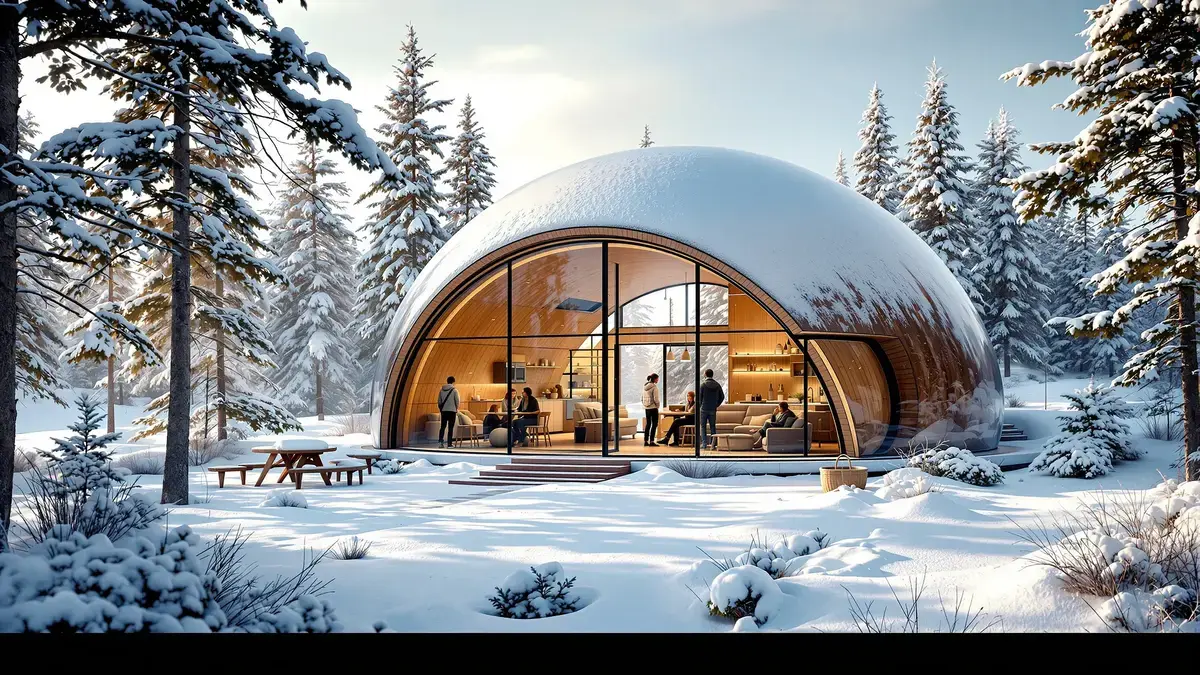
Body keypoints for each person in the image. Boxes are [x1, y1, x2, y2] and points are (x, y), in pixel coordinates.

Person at [697, 369, 725, 449]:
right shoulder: (717, 385)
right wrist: (716, 405)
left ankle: (704, 444)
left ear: (705, 374)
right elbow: (722, 397)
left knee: (703, 427)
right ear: (712, 375)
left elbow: (699, 398)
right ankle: (713, 445)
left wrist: (701, 406)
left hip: (704, 409)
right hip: (713, 409)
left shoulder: (703, 385)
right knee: (713, 426)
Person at [437, 376, 460, 448]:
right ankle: (449, 444)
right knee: (450, 428)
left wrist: (441, 409)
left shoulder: (441, 390)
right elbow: (457, 401)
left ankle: (441, 442)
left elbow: (439, 401)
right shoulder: (454, 390)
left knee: (442, 427)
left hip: (444, 411)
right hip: (452, 411)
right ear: (453, 382)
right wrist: (456, 408)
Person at [642, 373, 661, 447]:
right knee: (654, 424)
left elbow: (642, 397)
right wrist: (657, 406)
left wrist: (645, 404)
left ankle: (645, 441)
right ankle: (652, 441)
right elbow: (656, 399)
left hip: (647, 408)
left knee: (648, 424)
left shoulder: (645, 387)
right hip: (653, 408)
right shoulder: (654, 387)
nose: (658, 380)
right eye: (657, 379)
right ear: (655, 379)